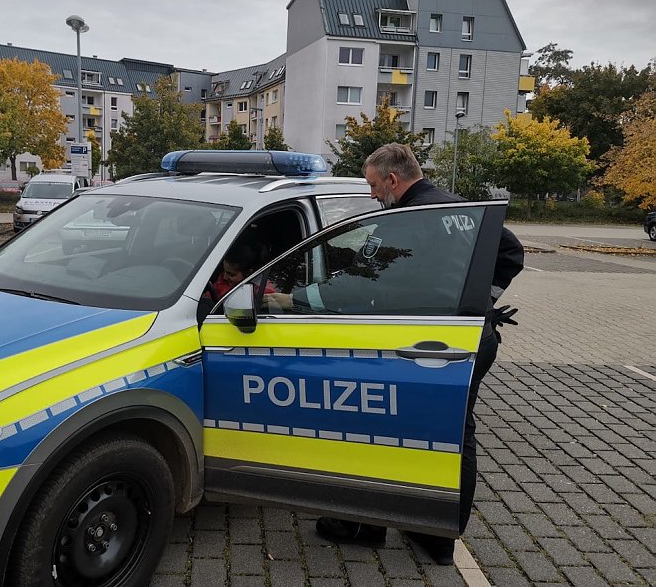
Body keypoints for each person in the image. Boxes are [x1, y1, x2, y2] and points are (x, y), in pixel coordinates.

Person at [314, 143, 524, 564]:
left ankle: (369, 524)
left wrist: (302, 298)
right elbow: (511, 251)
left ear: (393, 180)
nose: (372, 194)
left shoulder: (405, 219)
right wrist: (476, 304)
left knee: (384, 430)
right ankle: (436, 535)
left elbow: (361, 282)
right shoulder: (460, 208)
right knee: (448, 435)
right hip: (464, 340)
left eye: (373, 185)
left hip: (423, 344)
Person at [209, 243, 274, 303]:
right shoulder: (222, 280)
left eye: (231, 274)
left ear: (248, 273)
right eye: (224, 271)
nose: (224, 277)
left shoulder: (262, 293)